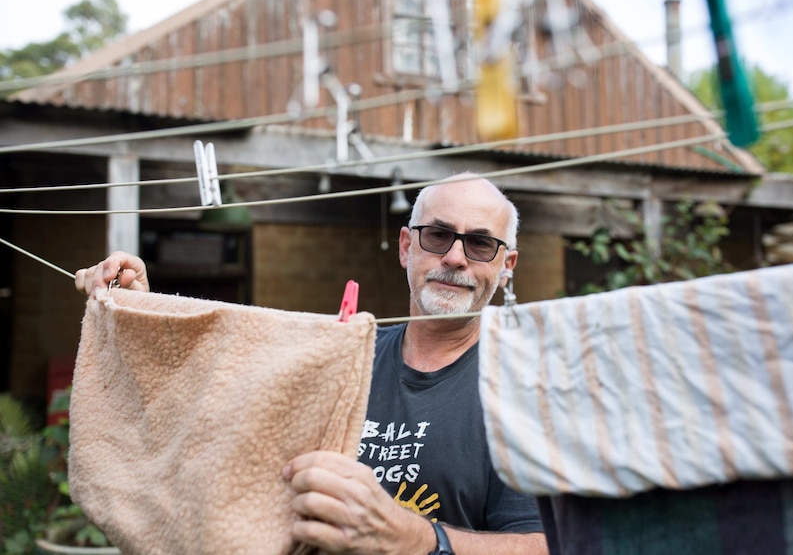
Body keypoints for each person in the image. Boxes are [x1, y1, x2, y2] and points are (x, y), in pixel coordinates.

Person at [76, 172, 548, 555]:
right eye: (439, 234)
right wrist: (141, 316)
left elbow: (547, 546)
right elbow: (208, 406)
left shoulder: (527, 392)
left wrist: (420, 540)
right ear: (407, 246)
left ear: (507, 265)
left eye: (481, 244)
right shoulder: (341, 353)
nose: (455, 257)